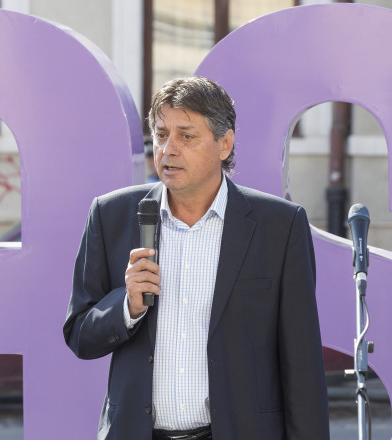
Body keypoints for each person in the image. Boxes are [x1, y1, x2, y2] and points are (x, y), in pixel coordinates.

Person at [64, 76, 329, 439]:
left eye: (186, 136)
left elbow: (302, 364)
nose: (168, 149)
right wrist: (126, 307)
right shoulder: (110, 216)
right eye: (161, 135)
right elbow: (79, 334)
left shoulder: (280, 226)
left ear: (224, 144)